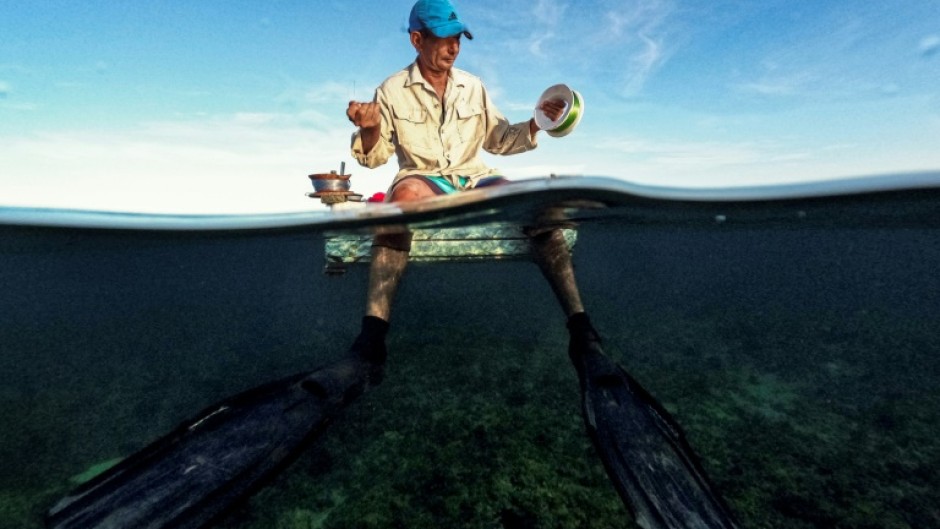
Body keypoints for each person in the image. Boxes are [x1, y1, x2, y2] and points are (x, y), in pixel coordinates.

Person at [344, 0, 601, 365]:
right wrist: (369, 128)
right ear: (417, 40)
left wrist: (536, 122)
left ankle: (582, 329)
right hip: (423, 178)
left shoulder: (474, 87)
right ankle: (371, 339)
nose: (454, 47)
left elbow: (499, 139)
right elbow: (375, 156)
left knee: (537, 208)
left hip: (475, 177)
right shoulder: (391, 90)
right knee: (398, 206)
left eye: (459, 38)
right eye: (445, 38)